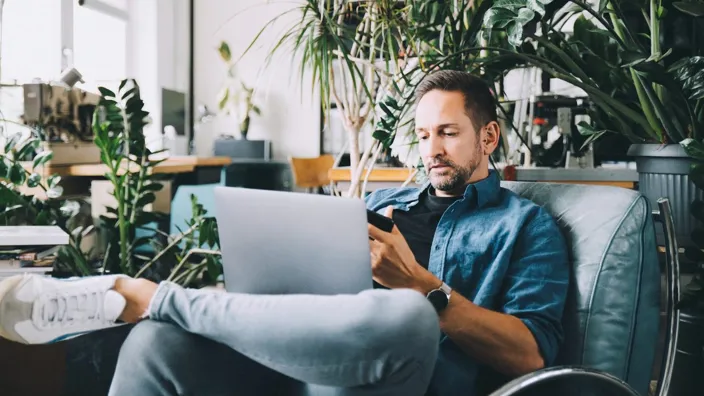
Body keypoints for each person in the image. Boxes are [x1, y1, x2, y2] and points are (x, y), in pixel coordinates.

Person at [0, 70, 569, 396]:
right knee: (157, 343)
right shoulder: (379, 204)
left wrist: (424, 288)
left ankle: (157, 298)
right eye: (423, 136)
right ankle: (172, 309)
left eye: (448, 132)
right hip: (305, 364)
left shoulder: (526, 226)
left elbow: (531, 357)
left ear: (489, 137)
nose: (432, 150)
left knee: (405, 314)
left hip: (401, 374)